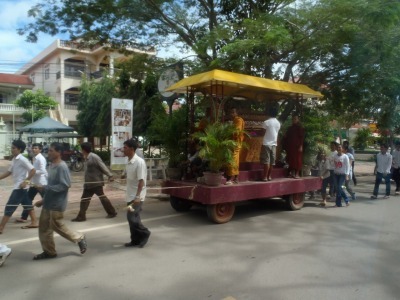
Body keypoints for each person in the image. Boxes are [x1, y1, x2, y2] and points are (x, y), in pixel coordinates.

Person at [33, 142, 87, 260]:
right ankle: (49, 252)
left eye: (52, 151)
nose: (49, 152)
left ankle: (79, 237)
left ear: (59, 153)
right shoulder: (51, 165)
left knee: (57, 226)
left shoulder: (62, 167)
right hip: (48, 202)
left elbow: (65, 185)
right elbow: (51, 185)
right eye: (49, 150)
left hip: (57, 203)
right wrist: (42, 201)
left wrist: (45, 188)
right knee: (44, 228)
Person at [71, 142, 117, 222]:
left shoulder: (94, 157)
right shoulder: (86, 157)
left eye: (81, 149)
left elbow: (102, 166)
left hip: (96, 182)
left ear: (84, 149)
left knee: (102, 197)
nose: (80, 150)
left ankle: (112, 212)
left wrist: (110, 175)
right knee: (85, 199)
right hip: (89, 183)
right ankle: (81, 216)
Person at [0, 140, 36, 234]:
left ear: (19, 149)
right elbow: (9, 172)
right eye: (11, 148)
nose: (12, 150)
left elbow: (33, 170)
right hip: (20, 187)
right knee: (27, 204)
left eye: (13, 148)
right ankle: (34, 222)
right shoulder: (14, 159)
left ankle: (1, 227)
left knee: (9, 206)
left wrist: (26, 181)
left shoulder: (22, 159)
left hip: (19, 187)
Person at [122, 139, 151, 248]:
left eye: (125, 148)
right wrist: (122, 176)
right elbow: (129, 174)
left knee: (132, 218)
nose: (123, 149)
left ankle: (145, 233)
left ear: (132, 149)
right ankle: (134, 240)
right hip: (130, 194)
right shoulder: (128, 161)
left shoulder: (139, 162)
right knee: (134, 218)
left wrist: (138, 196)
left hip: (137, 196)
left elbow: (141, 181)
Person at [18, 143, 48, 229]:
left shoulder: (41, 158)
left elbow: (42, 170)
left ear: (40, 150)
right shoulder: (34, 158)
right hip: (34, 183)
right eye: (33, 148)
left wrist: (33, 172)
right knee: (27, 199)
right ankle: (24, 217)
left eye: (36, 148)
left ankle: (50, 216)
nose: (34, 149)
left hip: (41, 183)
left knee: (46, 201)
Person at [260, 107, 281, 181]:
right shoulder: (278, 123)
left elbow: (262, 132)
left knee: (266, 161)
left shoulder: (266, 122)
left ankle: (265, 177)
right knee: (272, 161)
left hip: (266, 143)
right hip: (274, 144)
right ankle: (269, 176)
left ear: (269, 113)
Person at [225, 108, 245, 185]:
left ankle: (230, 178)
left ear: (237, 113)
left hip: (236, 143)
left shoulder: (239, 120)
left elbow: (237, 131)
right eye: (230, 112)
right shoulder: (234, 121)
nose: (231, 114)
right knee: (235, 160)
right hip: (233, 143)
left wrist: (229, 132)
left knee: (233, 159)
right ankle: (236, 178)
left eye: (233, 112)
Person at [283, 114, 305, 179]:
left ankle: (297, 173)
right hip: (291, 147)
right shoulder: (290, 128)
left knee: (297, 160)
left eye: (295, 119)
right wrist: (285, 136)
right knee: (291, 159)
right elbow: (287, 137)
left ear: (298, 120)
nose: (294, 120)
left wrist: (301, 146)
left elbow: (301, 138)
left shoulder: (300, 128)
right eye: (293, 119)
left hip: (297, 147)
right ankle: (292, 173)